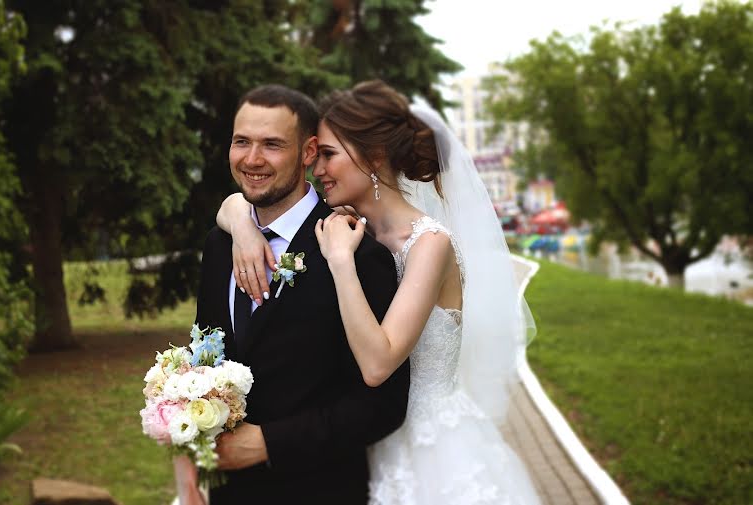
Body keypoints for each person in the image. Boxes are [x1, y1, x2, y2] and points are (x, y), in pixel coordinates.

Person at [218, 80, 541, 504]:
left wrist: (340, 262)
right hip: (361, 449)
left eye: (330, 155)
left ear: (372, 157)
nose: (318, 169)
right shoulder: (351, 224)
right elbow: (239, 203)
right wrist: (241, 223)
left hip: (431, 453)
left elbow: (376, 364)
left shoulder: (430, 243)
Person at [180, 84, 411, 505]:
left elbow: (383, 406)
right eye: (241, 142)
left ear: (307, 153)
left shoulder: (358, 254)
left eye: (271, 145)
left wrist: (268, 442)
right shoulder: (219, 244)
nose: (252, 159)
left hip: (320, 490)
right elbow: (203, 357)